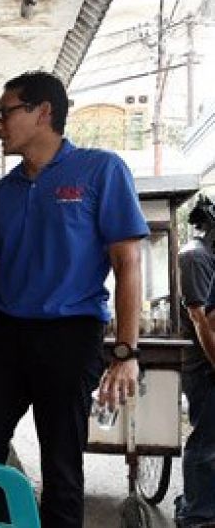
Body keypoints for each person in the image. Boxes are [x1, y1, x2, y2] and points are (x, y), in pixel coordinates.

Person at [0, 71, 147, 527]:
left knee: (61, 467)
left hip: (71, 334)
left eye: (5, 113)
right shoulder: (0, 195)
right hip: (5, 336)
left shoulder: (100, 170)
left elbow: (127, 264)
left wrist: (126, 353)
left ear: (43, 112)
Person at [175, 194, 215, 527]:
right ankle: (195, 515)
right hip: (204, 365)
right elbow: (201, 319)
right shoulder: (195, 257)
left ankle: (200, 504)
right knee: (205, 441)